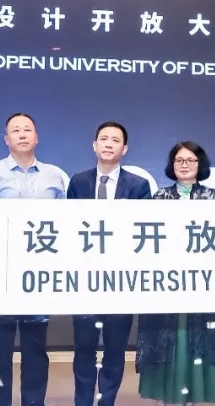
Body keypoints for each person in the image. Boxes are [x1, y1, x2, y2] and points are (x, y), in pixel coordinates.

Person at [0, 112, 66, 406]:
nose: (22, 134)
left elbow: (65, 223)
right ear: (6, 139)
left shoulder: (54, 175)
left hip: (38, 274)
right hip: (1, 273)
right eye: (16, 130)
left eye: (27, 130)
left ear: (37, 137)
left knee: (35, 350)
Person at [66, 121, 152, 406]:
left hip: (121, 280)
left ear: (124, 149)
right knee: (84, 349)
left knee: (115, 351)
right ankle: (82, 401)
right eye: (103, 139)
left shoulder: (138, 186)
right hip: (85, 279)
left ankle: (107, 402)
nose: (108, 144)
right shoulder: (78, 182)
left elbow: (142, 232)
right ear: (94, 145)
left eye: (115, 140)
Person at [137, 140, 215, 404]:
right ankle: (168, 395)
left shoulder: (213, 197)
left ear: (200, 164)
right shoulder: (159, 198)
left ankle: (197, 393)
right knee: (166, 336)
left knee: (198, 336)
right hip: (167, 282)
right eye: (179, 160)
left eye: (190, 160)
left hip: (201, 282)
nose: (184, 165)